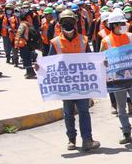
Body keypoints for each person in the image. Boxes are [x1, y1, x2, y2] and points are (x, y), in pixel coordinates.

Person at [39, 9, 101, 152]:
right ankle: (71, 140)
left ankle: (87, 140)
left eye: (71, 21)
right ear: (60, 24)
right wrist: (40, 67)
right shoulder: (55, 42)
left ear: (75, 22)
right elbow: (50, 63)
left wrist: (100, 64)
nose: (68, 24)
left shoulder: (83, 40)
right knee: (68, 113)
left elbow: (90, 59)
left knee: (84, 112)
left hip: (82, 83)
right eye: (65, 21)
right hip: (66, 85)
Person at [100, 10, 132, 145]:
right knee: (121, 107)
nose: (124, 25)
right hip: (117, 79)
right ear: (114, 25)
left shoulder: (131, 37)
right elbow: (102, 59)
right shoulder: (106, 41)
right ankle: (126, 132)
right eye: (121, 23)